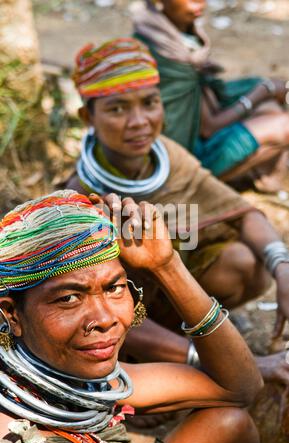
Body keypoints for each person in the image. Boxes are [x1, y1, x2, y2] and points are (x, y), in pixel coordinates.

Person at [67, 37, 289, 385]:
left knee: (246, 263)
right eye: (118, 109)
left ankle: (186, 335)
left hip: (165, 300)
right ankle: (163, 361)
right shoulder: (81, 198)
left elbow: (245, 214)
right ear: (87, 117)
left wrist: (284, 269)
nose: (139, 121)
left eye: (150, 103)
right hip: (118, 331)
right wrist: (217, 357)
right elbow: (101, 313)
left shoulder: (167, 156)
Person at [0, 190, 262, 443]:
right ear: (12, 314)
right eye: (69, 298)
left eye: (114, 288)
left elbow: (238, 387)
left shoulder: (89, 383)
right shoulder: (10, 436)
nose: (104, 318)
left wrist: (166, 266)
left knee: (229, 424)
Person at [131, 0, 289, 192]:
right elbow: (210, 127)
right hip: (180, 161)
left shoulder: (162, 34)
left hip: (195, 133)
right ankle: (202, 185)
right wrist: (263, 91)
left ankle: (266, 178)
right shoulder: (167, 55)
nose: (199, 3)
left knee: (269, 107)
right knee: (283, 125)